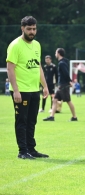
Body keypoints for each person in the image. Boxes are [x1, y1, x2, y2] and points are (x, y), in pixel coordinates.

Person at [6, 16, 49, 159]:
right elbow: (10, 69)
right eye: (29, 29)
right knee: (22, 121)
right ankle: (22, 151)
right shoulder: (15, 45)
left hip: (34, 90)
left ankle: (31, 149)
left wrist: (45, 86)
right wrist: (16, 90)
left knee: (32, 121)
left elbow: (38, 67)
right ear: (22, 28)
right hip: (21, 91)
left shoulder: (37, 45)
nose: (32, 31)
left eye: (34, 29)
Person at [43, 48, 77, 121]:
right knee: (55, 100)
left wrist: (69, 81)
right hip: (61, 85)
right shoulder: (62, 62)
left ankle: (74, 117)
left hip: (63, 85)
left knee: (68, 100)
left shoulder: (61, 63)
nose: (55, 54)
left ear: (58, 53)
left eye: (56, 53)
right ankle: (51, 116)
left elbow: (66, 73)